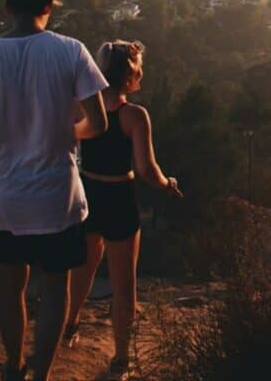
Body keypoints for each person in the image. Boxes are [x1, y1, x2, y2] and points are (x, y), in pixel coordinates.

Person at [0, 0, 108, 381]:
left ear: (7, 9)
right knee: (54, 287)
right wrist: (67, 132)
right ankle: (42, 373)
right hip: (56, 196)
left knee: (9, 286)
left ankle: (11, 364)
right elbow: (100, 122)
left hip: (2, 199)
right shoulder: (71, 50)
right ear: (48, 7)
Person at [64, 40, 182, 380]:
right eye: (139, 68)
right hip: (118, 197)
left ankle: (69, 325)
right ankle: (119, 359)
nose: (142, 73)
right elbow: (147, 170)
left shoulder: (81, 106)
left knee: (82, 270)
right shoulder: (134, 116)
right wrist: (167, 183)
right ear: (129, 76)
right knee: (123, 286)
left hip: (86, 193)